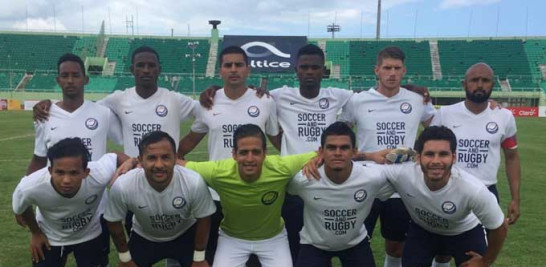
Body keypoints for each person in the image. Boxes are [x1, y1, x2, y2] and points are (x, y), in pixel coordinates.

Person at [177, 46, 280, 264]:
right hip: (217, 192)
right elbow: (191, 139)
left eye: (239, 65)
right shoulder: (207, 103)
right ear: (220, 70)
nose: (233, 69)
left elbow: (277, 139)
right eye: (228, 65)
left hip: (254, 190)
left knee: (254, 256)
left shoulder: (265, 101)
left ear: (248, 70)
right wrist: (168, 158)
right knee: (218, 256)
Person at [338, 46, 436, 267]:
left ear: (404, 71)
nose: (392, 73)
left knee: (396, 245)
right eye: (387, 68)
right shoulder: (358, 101)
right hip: (365, 182)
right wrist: (367, 155)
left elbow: (436, 129)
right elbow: (341, 140)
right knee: (356, 240)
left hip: (402, 186)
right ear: (377, 70)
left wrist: (488, 106)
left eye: (397, 68)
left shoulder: (417, 99)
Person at [183, 124, 317, 267]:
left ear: (265, 153)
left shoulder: (281, 167)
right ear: (234, 154)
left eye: (256, 152)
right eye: (243, 152)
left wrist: (315, 160)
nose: (250, 158)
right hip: (232, 238)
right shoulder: (219, 172)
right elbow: (179, 164)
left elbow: (322, 152)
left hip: (273, 238)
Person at [430, 63, 520, 267]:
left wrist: (515, 198)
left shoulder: (504, 117)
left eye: (485, 80)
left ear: (492, 85)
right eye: (474, 80)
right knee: (442, 253)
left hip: (486, 191)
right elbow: (428, 149)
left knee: (476, 257)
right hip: (448, 189)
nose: (480, 85)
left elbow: (512, 157)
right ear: (465, 84)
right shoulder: (445, 114)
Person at [381, 126, 508, 267]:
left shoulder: (473, 189)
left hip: (464, 232)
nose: (436, 161)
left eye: (443, 154)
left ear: (454, 157)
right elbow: (363, 171)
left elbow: (500, 227)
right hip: (423, 231)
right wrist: (364, 155)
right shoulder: (402, 174)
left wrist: (485, 261)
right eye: (429, 154)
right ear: (418, 157)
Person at [12, 138, 133, 267]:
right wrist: (36, 233)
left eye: (74, 173)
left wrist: (133, 163)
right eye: (59, 172)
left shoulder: (99, 174)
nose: (66, 180)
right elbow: (21, 207)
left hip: (90, 234)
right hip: (50, 237)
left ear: (86, 172)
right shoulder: (31, 186)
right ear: (50, 170)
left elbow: (115, 156)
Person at [105, 131, 216, 267]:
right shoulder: (123, 185)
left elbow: (204, 218)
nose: (159, 165)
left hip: (184, 235)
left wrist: (199, 258)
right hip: (145, 238)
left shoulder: (193, 181)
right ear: (140, 160)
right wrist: (125, 258)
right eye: (152, 158)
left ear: (175, 158)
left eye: (165, 157)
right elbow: (113, 221)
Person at [288, 122, 391, 267]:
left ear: (354, 152)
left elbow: (405, 175)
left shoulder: (372, 177)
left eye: (344, 148)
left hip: (355, 243)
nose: (337, 152)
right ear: (321, 152)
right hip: (314, 245)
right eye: (331, 147)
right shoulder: (304, 180)